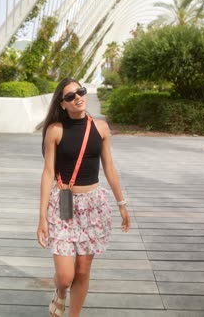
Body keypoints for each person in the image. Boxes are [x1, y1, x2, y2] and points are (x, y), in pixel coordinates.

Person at [37, 77, 130, 317]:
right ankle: (60, 291)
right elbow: (48, 173)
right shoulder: (55, 130)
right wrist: (42, 219)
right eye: (70, 96)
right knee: (66, 276)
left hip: (94, 205)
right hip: (64, 204)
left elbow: (109, 168)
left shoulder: (101, 127)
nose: (77, 97)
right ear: (63, 103)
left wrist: (122, 204)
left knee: (82, 271)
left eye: (80, 91)